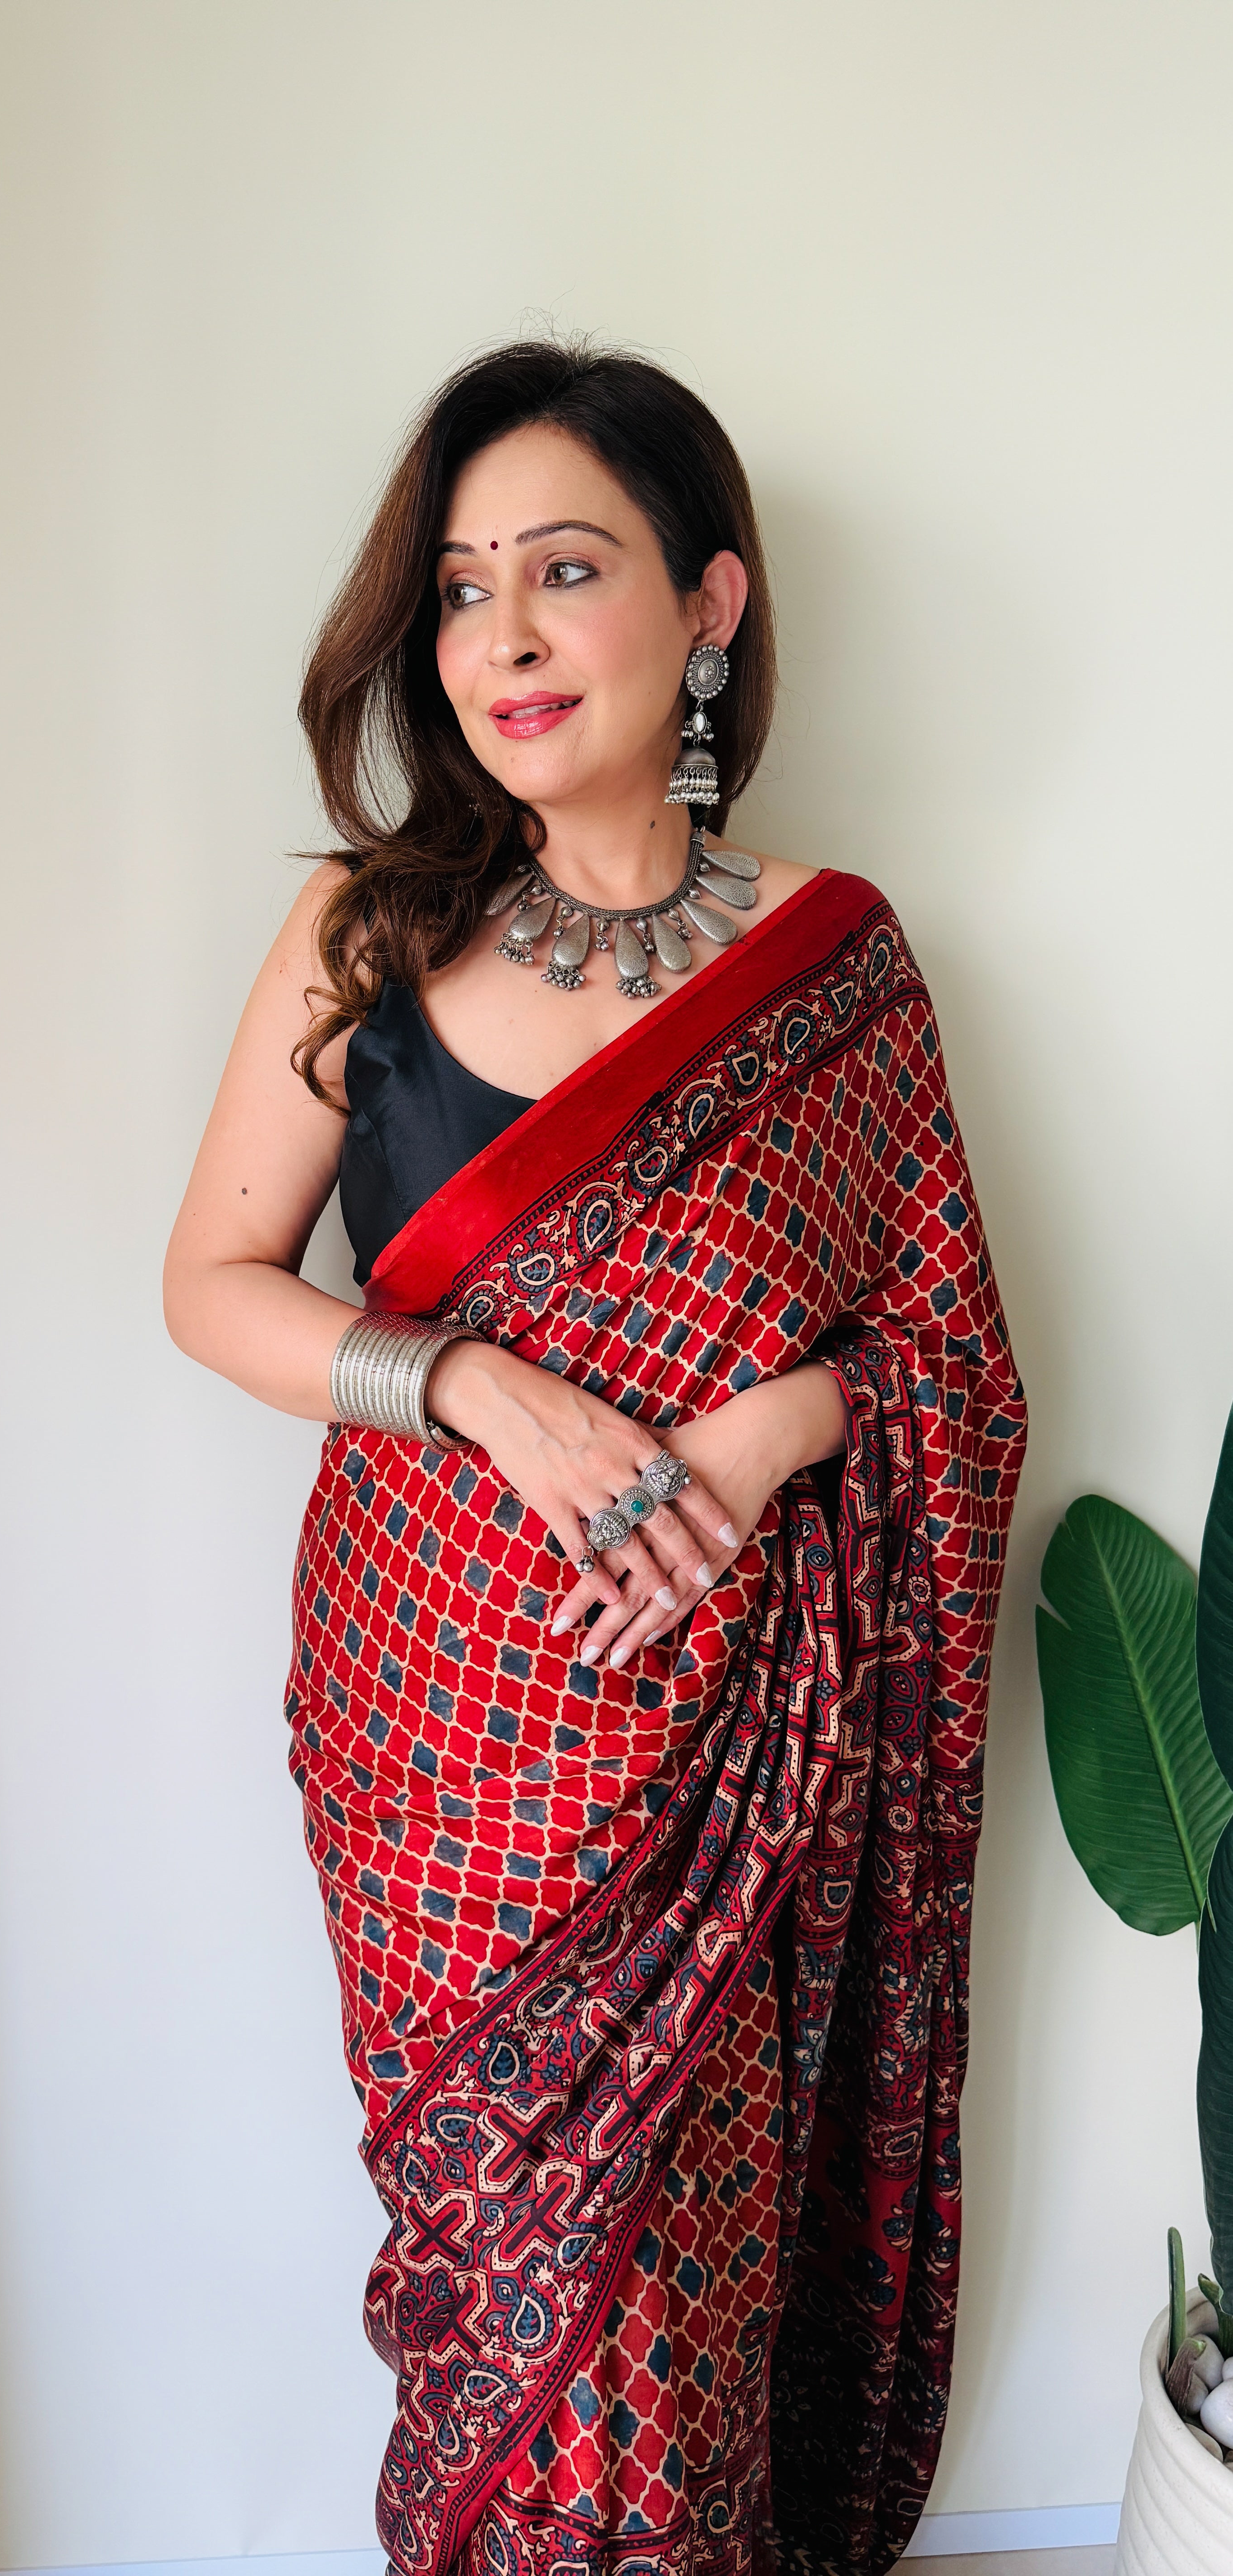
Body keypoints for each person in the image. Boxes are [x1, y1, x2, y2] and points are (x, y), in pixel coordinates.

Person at [163, 340, 1027, 2576]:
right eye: (461, 592)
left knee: (684, 2311)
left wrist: (772, 1422)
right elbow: (217, 1282)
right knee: (523, 2315)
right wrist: (459, 1378)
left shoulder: (838, 972)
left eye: (568, 569)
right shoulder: (370, 934)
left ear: (710, 601)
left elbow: (949, 1352)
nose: (507, 640)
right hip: (446, 1756)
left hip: (739, 1753)